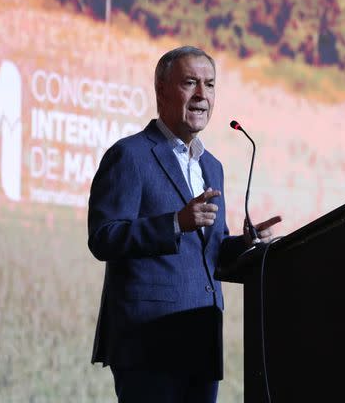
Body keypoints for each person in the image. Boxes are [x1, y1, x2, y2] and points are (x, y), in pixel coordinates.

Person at [87, 46, 281, 403]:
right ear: (161, 90)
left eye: (209, 85)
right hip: (148, 343)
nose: (201, 95)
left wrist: (247, 244)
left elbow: (212, 253)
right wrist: (175, 222)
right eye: (190, 83)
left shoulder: (213, 166)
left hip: (201, 341)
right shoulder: (130, 155)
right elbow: (103, 237)